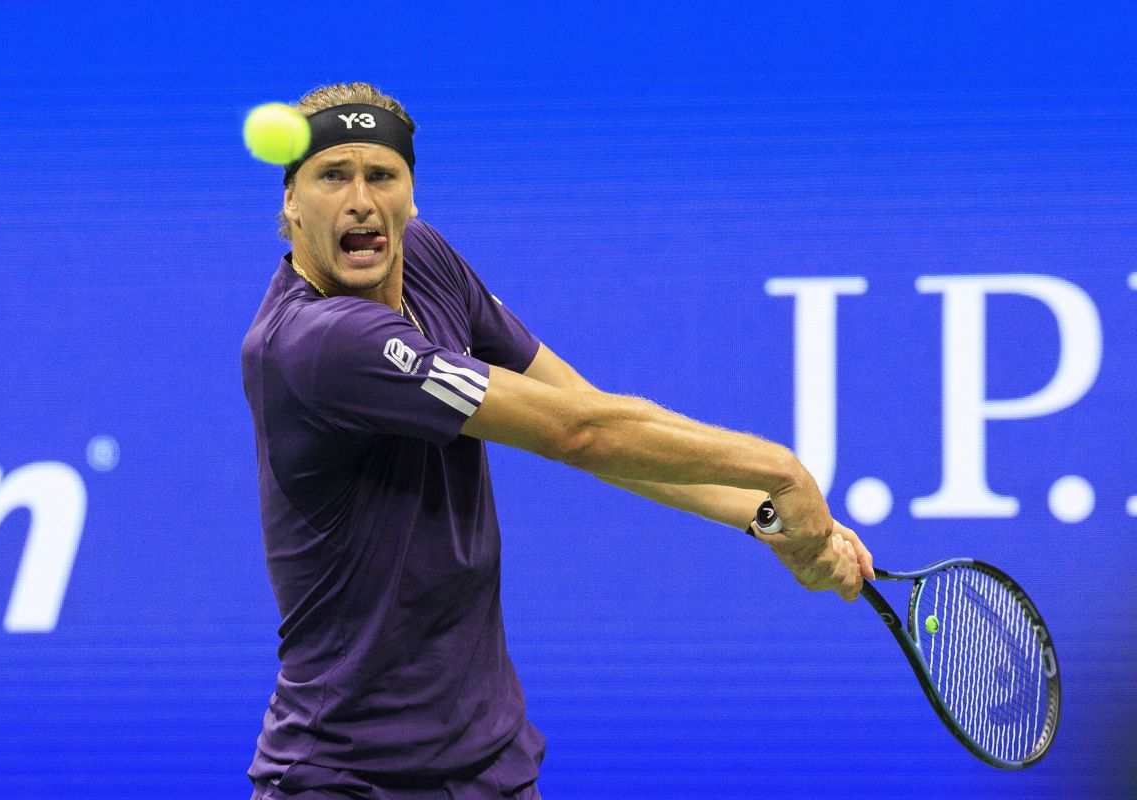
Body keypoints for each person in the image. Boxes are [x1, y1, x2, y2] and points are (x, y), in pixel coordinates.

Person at [241, 82, 874, 800]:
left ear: (411, 197)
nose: (360, 201)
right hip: (347, 777)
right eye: (332, 176)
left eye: (381, 175)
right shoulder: (317, 344)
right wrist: (782, 473)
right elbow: (579, 434)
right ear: (292, 203)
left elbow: (588, 414)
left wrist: (768, 520)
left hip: (486, 763)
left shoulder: (426, 260)